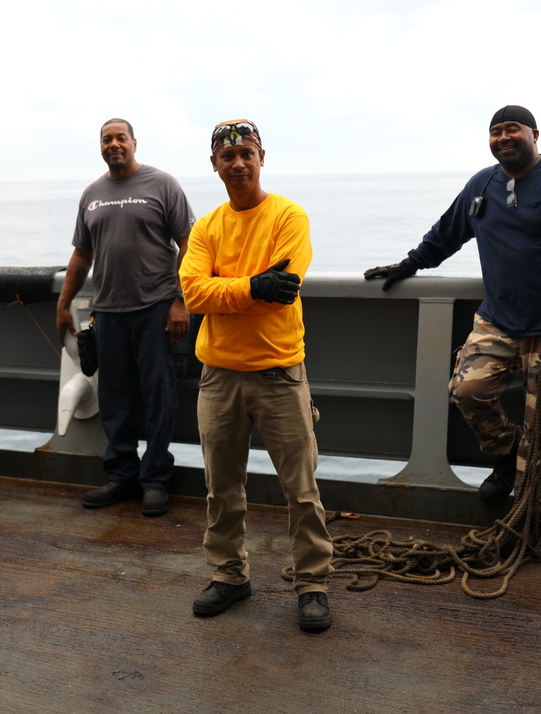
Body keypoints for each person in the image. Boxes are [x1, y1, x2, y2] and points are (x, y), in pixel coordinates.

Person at [365, 105, 541, 503]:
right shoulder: (483, 184)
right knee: (467, 391)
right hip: (500, 319)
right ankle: (507, 454)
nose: (503, 138)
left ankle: (537, 517)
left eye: (513, 129)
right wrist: (410, 263)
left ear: (534, 135)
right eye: (496, 132)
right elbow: (447, 233)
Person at [179, 119, 334, 632]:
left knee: (301, 487)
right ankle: (229, 574)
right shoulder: (205, 227)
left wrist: (232, 288)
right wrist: (252, 288)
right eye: (228, 157)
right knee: (221, 486)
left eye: (246, 153)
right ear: (215, 165)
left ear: (262, 157)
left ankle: (312, 584)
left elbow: (284, 287)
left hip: (278, 373)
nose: (238, 163)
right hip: (218, 376)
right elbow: (194, 294)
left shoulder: (289, 215)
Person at [56, 118, 195, 518]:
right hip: (109, 312)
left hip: (157, 309)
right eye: (106, 139)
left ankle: (155, 481)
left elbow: (190, 243)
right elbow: (82, 255)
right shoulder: (92, 195)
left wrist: (180, 300)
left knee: (159, 397)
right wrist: (64, 303)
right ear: (100, 146)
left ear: (134, 143)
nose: (113, 144)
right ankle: (121, 476)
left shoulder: (162, 184)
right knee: (114, 398)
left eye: (120, 138)